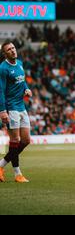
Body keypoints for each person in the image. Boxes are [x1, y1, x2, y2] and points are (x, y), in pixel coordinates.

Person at [0, 42, 32, 183]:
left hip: (21, 106)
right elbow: (0, 90)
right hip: (11, 107)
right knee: (15, 141)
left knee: (25, 141)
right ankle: (17, 174)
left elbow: (22, 80)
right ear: (5, 53)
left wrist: (26, 88)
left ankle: (0, 165)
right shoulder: (3, 68)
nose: (13, 51)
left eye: (13, 48)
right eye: (9, 50)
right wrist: (2, 111)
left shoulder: (19, 63)